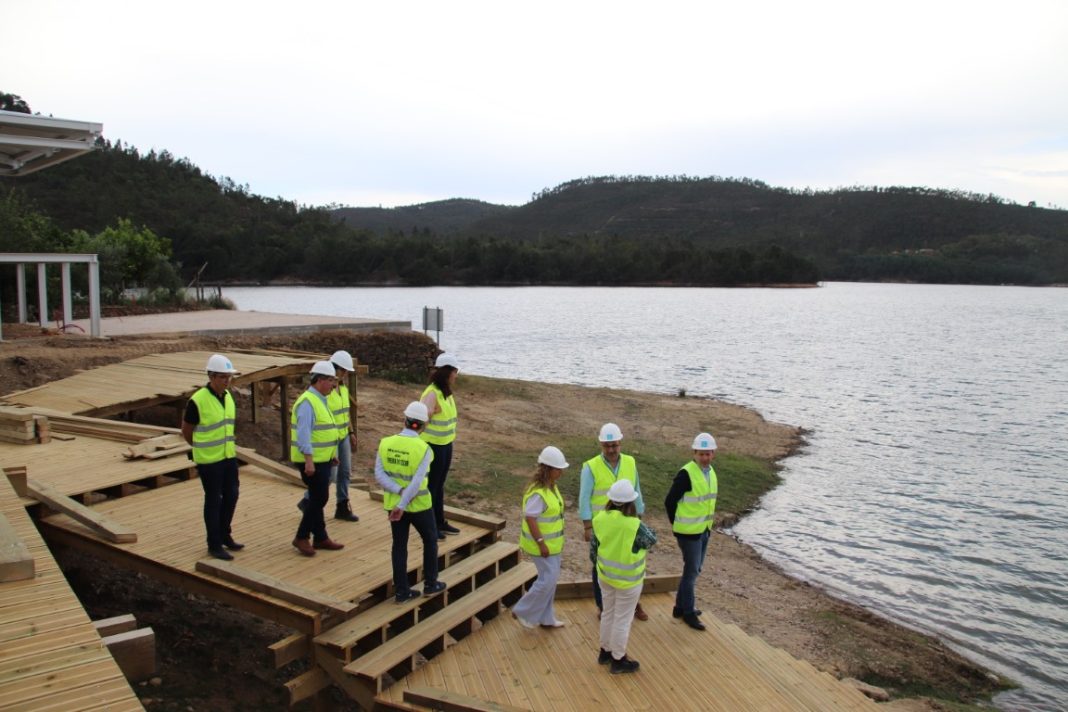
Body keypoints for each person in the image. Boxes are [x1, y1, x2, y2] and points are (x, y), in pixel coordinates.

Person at [375, 401, 448, 603]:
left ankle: (402, 591)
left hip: (393, 504)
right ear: (423, 425)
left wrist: (398, 495)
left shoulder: (386, 443)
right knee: (430, 540)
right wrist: (403, 503)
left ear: (404, 419)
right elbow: (416, 483)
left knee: (399, 545)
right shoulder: (424, 449)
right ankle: (431, 583)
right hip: (419, 506)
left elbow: (379, 474)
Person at [578, 423, 648, 621]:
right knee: (599, 563)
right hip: (603, 525)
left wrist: (639, 514)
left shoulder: (630, 462)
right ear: (601, 444)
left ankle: (634, 603)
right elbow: (584, 497)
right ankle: (602, 606)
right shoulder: (590, 467)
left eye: (615, 445)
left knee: (632, 561)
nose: (611, 450)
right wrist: (587, 525)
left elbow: (637, 489)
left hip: (628, 521)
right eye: (607, 446)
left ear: (620, 443)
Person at [182, 354, 242, 561]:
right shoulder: (198, 400)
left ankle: (225, 534)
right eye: (223, 377)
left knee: (232, 495)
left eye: (229, 377)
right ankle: (214, 544)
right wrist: (199, 448)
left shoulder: (227, 397)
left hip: (228, 456)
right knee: (213, 500)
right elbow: (187, 430)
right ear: (212, 376)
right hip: (209, 460)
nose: (227, 381)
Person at [591, 479, 655, 674]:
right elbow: (651, 539)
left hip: (605, 576)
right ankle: (618, 660)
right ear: (631, 502)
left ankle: (605, 652)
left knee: (608, 613)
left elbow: (594, 548)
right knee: (622, 619)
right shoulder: (634, 525)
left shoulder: (600, 518)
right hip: (628, 581)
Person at [664, 432, 718, 631]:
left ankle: (679, 607)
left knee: (694, 569)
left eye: (708, 453)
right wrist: (676, 524)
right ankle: (688, 612)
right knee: (692, 571)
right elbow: (670, 501)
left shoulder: (711, 473)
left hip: (703, 530)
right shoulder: (686, 474)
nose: (705, 457)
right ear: (694, 453)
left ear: (713, 454)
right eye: (701, 453)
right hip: (688, 532)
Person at [290, 361, 345, 556]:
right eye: (331, 380)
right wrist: (309, 461)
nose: (334, 384)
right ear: (320, 380)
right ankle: (302, 536)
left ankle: (320, 537)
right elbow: (304, 434)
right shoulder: (308, 402)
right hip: (311, 461)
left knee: (316, 497)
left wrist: (332, 455)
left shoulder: (320, 399)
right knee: (319, 498)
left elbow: (322, 432)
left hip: (323, 459)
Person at [511, 446, 569, 629]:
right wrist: (541, 543)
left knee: (550, 580)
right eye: (558, 469)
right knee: (548, 579)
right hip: (542, 546)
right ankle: (522, 610)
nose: (562, 472)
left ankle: (546, 617)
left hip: (554, 545)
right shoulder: (539, 493)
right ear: (548, 469)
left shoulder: (551, 488)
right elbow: (530, 518)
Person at [298, 350, 359, 521]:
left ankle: (342, 506)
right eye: (344, 371)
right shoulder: (325, 391)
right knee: (330, 476)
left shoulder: (344, 390)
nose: (346, 375)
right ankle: (308, 500)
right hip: (329, 440)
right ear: (335, 369)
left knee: (345, 472)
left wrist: (351, 432)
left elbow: (345, 413)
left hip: (343, 436)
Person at [420, 353, 460, 540]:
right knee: (432, 487)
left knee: (439, 485)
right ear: (447, 372)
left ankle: (440, 521)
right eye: (454, 371)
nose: (456, 375)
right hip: (433, 446)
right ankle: (431, 526)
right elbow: (421, 419)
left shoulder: (445, 392)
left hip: (445, 444)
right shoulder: (432, 393)